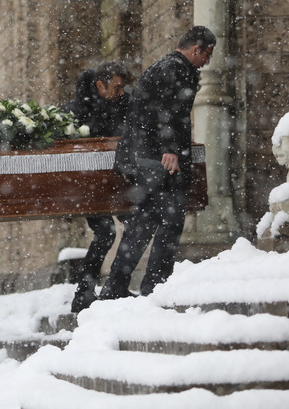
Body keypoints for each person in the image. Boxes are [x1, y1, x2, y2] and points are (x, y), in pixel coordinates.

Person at [98, 26, 216, 300]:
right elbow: (168, 111)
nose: (207, 62)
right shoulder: (176, 69)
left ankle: (117, 285)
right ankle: (156, 287)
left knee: (146, 220)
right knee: (170, 220)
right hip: (156, 158)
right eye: (206, 54)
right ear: (196, 49)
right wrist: (171, 149)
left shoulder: (166, 66)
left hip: (145, 156)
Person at [62, 61, 131, 313]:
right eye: (116, 87)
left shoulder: (125, 104)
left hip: (122, 179)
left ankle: (116, 286)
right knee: (106, 232)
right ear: (100, 85)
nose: (121, 92)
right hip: (91, 186)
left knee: (135, 226)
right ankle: (84, 293)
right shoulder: (76, 110)